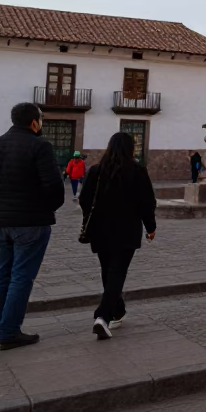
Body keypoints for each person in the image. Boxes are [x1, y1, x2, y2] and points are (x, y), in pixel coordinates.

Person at [0, 102, 64, 349]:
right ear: (35, 122)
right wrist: (46, 209)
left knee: (3, 273)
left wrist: (1, 201)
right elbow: (55, 186)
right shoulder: (40, 145)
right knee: (22, 276)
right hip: (31, 222)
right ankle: (9, 331)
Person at [80, 131, 156, 340]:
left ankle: (118, 311)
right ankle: (102, 317)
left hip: (99, 229)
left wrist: (91, 217)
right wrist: (151, 227)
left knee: (108, 270)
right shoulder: (137, 171)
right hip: (126, 229)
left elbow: (84, 200)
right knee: (117, 272)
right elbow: (147, 202)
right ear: (131, 148)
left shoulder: (96, 170)